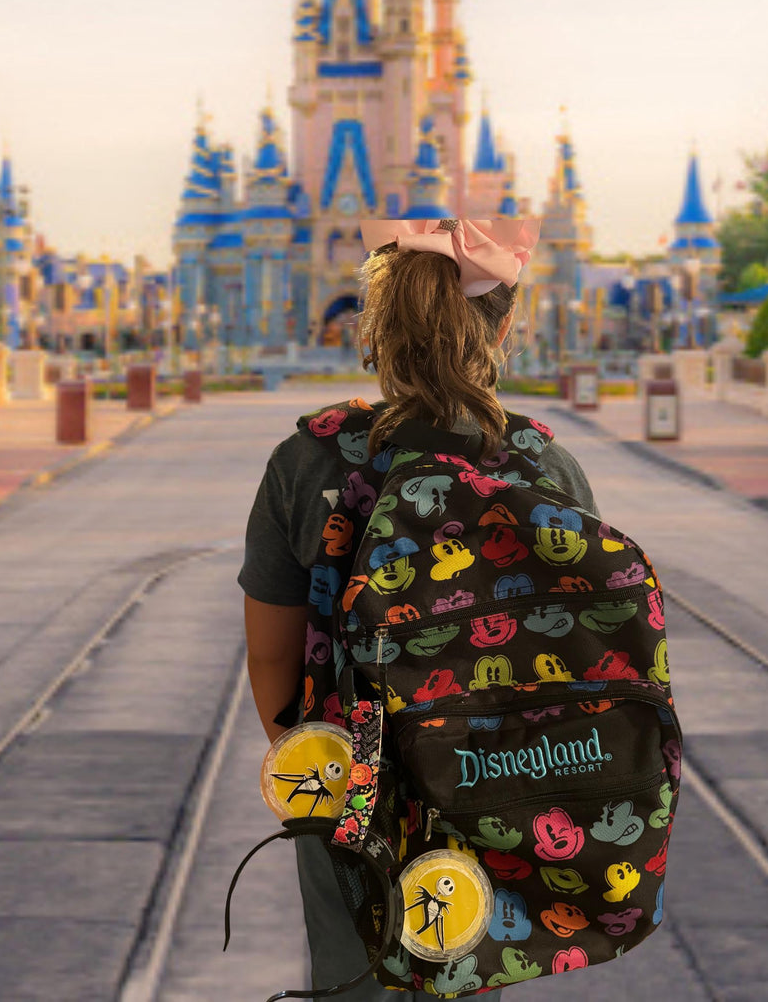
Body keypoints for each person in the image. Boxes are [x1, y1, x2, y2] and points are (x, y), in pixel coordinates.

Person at [239, 217, 599, 1000]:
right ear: (503, 327)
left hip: (347, 776)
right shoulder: (545, 467)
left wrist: (330, 774)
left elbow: (271, 656)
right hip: (495, 780)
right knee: (468, 974)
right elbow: (581, 664)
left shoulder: (307, 460)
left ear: (378, 331)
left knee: (354, 975)